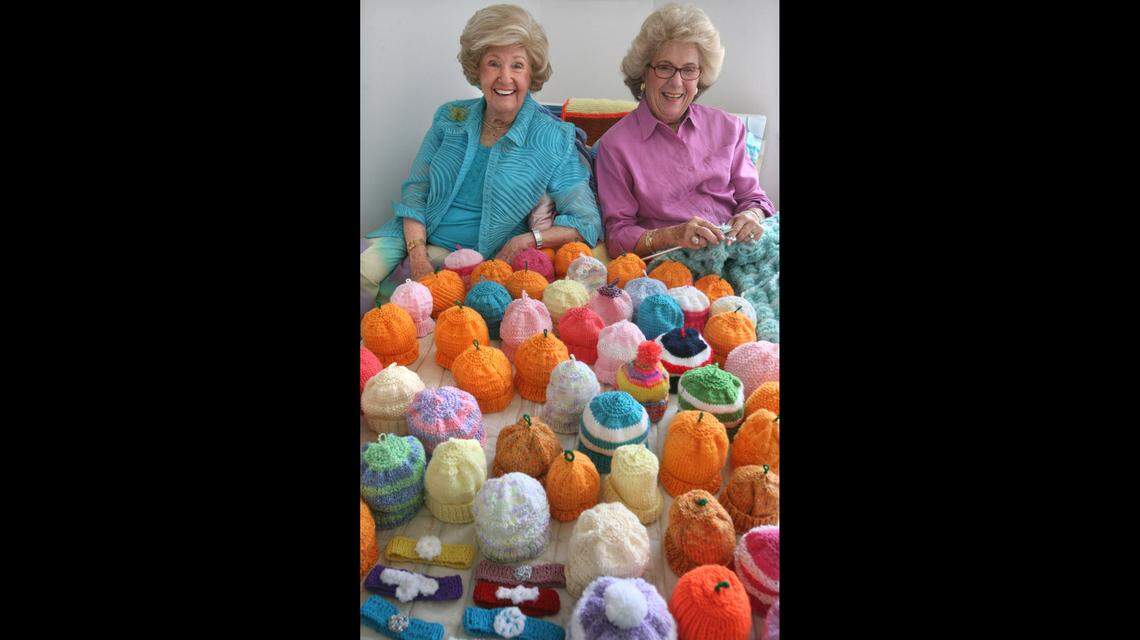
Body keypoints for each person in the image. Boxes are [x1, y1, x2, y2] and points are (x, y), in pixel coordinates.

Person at [360, 4, 602, 306]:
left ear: (532, 74)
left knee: (396, 306)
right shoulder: (450, 117)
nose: (505, 77)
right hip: (413, 235)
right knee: (363, 271)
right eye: (493, 63)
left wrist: (528, 240)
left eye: (517, 65)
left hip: (469, 257)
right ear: (477, 69)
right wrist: (417, 253)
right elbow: (416, 190)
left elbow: (587, 222)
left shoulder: (553, 138)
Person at [595, 3, 775, 258]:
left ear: (701, 75)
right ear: (644, 72)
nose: (677, 82)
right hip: (673, 266)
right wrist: (672, 235)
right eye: (665, 67)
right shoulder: (615, 146)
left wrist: (750, 214)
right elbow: (618, 236)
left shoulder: (728, 128)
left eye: (689, 69)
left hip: (737, 252)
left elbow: (755, 198)